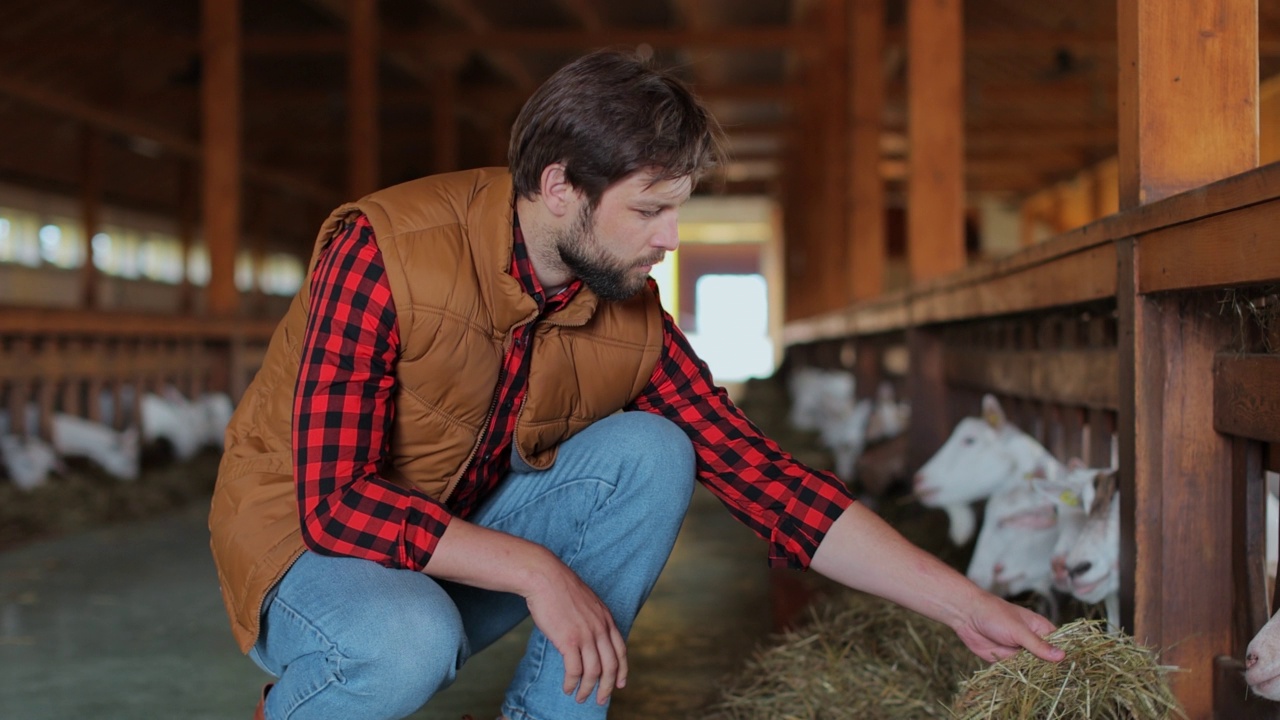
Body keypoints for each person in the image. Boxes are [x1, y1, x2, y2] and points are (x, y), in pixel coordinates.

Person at [208, 48, 1064, 720]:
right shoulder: (386, 252)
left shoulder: (628, 312)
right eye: (651, 209)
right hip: (305, 547)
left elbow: (768, 481)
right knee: (405, 642)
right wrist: (539, 571)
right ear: (558, 189)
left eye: (678, 208)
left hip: (451, 530)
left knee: (655, 450)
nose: (673, 238)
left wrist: (961, 605)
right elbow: (336, 505)